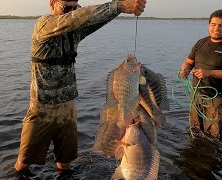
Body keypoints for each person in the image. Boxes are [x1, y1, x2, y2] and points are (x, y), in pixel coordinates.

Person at [14, 0, 147, 175]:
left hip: (68, 108)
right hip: (41, 109)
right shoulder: (44, 25)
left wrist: (122, 8)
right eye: (66, 8)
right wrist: (119, 5)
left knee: (65, 162)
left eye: (74, 8)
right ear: (52, 3)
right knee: (24, 163)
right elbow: (77, 18)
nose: (71, 12)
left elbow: (93, 20)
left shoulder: (73, 33)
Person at [180, 9, 222, 141]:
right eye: (213, 24)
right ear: (209, 24)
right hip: (197, 95)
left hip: (220, 99)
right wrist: (185, 70)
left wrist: (209, 73)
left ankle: (215, 159)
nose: (216, 28)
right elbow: (188, 62)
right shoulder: (201, 43)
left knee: (215, 138)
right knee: (195, 132)